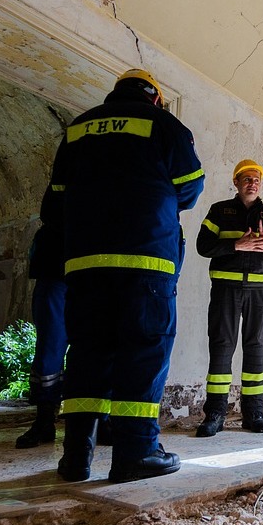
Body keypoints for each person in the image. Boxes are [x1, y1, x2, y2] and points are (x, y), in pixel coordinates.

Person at [42, 68, 204, 483]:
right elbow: (189, 187)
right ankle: (136, 452)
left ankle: (75, 457)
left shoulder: (78, 128)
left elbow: (56, 200)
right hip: (144, 260)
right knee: (144, 349)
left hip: (84, 264)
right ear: (156, 98)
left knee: (87, 353)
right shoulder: (166, 125)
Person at [194, 159, 263, 436]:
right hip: (226, 290)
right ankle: (214, 414)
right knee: (222, 347)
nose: (252, 183)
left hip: (261, 293)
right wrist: (236, 244)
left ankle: (254, 414)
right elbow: (203, 246)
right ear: (236, 182)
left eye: (256, 179)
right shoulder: (219, 211)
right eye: (247, 179)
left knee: (255, 349)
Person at [13, 222, 67, 449]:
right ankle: (44, 420)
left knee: (93, 353)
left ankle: (94, 423)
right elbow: (50, 210)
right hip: (56, 265)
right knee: (48, 351)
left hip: (91, 269)